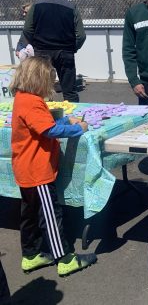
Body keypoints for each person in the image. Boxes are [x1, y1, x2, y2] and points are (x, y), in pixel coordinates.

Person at [10, 56, 96, 277]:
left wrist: (67, 121)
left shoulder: (22, 98)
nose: (52, 84)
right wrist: (80, 128)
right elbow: (49, 131)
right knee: (50, 215)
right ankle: (65, 258)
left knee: (29, 213)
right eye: (49, 79)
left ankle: (30, 254)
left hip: (25, 168)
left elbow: (43, 123)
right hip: (37, 170)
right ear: (38, 79)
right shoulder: (32, 102)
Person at [23, 0, 86, 102]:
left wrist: (35, 45)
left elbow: (27, 30)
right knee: (70, 91)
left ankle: (42, 116)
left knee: (41, 89)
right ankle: (72, 117)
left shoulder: (37, 5)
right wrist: (73, 48)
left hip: (42, 51)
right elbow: (81, 36)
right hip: (65, 52)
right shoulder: (71, 7)